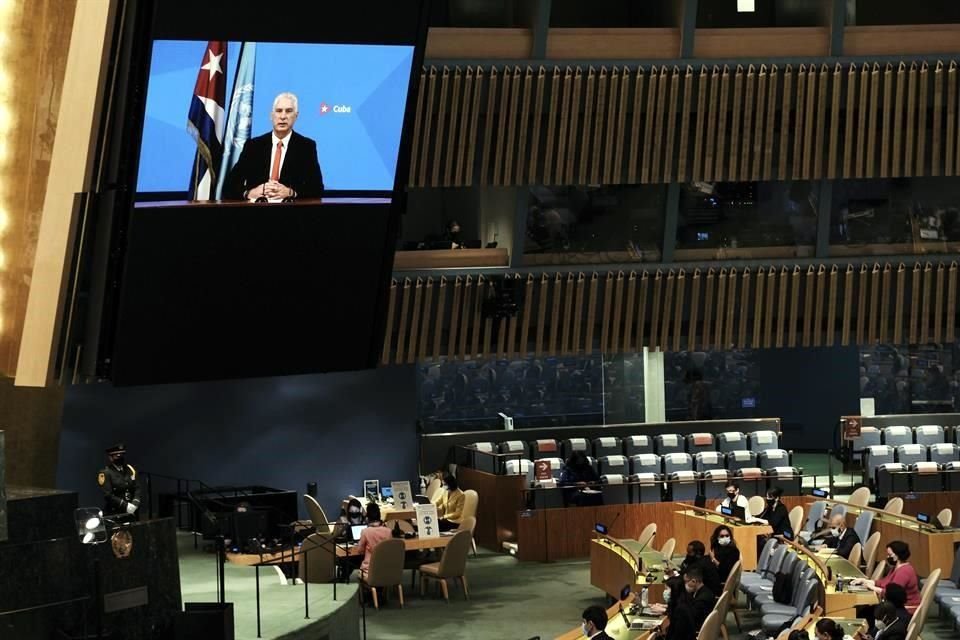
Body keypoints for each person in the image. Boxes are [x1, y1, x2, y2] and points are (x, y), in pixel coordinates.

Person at [222, 92, 324, 201]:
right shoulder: (254, 146)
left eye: (289, 111)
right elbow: (229, 186)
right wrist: (250, 192)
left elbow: (317, 189)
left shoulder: (306, 147)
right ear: (272, 116)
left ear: (296, 116)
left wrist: (292, 192)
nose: (283, 116)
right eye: (279, 111)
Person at [851, 541, 921, 612]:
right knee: (865, 610)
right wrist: (865, 581)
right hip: (894, 604)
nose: (888, 557)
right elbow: (884, 582)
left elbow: (892, 594)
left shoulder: (904, 571)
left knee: (866, 612)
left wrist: (873, 588)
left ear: (897, 555)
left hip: (905, 608)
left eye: (890, 555)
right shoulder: (896, 568)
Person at [653, 566, 715, 640]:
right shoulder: (688, 598)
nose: (684, 585)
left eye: (667, 589)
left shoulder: (702, 598)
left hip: (696, 628)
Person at [98, 444, 141, 519]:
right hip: (116, 512)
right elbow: (108, 495)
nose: (120, 457)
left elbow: (137, 487)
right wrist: (125, 505)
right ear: (110, 458)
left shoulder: (130, 469)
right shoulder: (105, 472)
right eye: (117, 456)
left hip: (132, 510)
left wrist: (135, 502)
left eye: (122, 455)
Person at [355, 503, 392, 576]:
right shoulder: (388, 531)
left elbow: (360, 551)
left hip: (369, 569)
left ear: (367, 517)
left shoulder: (365, 531)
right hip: (386, 568)